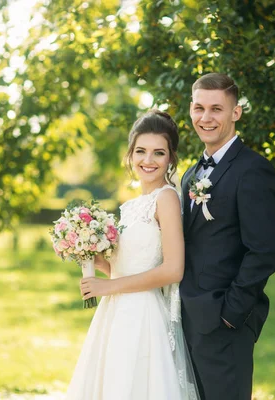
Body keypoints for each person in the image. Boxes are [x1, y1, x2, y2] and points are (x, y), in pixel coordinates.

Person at [65, 110, 200, 400]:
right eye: (141, 151)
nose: (148, 161)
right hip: (115, 312)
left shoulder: (166, 198)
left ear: (171, 159)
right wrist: (83, 250)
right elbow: (124, 267)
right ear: (130, 154)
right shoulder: (128, 207)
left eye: (158, 153)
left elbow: (173, 270)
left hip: (143, 315)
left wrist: (108, 287)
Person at [179, 73, 275, 400]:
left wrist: (230, 314)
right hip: (186, 320)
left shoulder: (253, 170)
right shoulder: (191, 174)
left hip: (225, 322)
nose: (205, 118)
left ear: (235, 113)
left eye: (216, 109)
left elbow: (264, 252)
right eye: (199, 108)